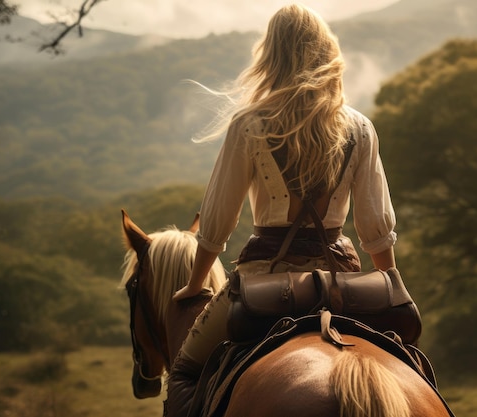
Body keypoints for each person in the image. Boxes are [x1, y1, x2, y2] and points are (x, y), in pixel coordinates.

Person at [165, 4, 417, 416]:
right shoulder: (359, 127)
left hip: (264, 282)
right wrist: (392, 284)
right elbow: (375, 228)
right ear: (325, 52)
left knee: (186, 371)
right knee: (410, 364)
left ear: (271, 55)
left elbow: (216, 223)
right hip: (342, 283)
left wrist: (194, 285)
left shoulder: (249, 124)